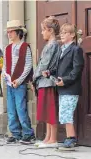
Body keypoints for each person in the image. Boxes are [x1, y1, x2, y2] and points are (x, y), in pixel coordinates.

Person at [50, 23, 84, 150]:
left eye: (65, 33)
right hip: (62, 88)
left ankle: (71, 138)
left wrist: (65, 80)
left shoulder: (76, 50)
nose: (62, 35)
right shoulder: (61, 49)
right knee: (63, 113)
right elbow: (59, 68)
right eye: (61, 33)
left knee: (66, 113)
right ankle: (69, 137)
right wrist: (50, 73)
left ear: (72, 35)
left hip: (71, 87)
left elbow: (77, 70)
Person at [3, 20, 36, 145]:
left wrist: (19, 80)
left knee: (21, 108)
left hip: (19, 84)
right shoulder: (7, 48)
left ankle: (28, 133)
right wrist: (6, 78)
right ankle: (15, 133)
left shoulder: (25, 47)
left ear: (18, 32)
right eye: (8, 32)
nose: (9, 34)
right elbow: (5, 66)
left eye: (11, 31)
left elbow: (28, 65)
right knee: (11, 110)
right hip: (9, 83)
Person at [32, 16, 60, 148]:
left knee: (50, 110)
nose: (42, 32)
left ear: (50, 30)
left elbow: (44, 65)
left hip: (48, 81)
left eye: (43, 30)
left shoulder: (52, 45)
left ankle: (53, 139)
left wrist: (34, 77)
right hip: (44, 81)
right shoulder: (50, 45)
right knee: (46, 110)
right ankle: (47, 137)